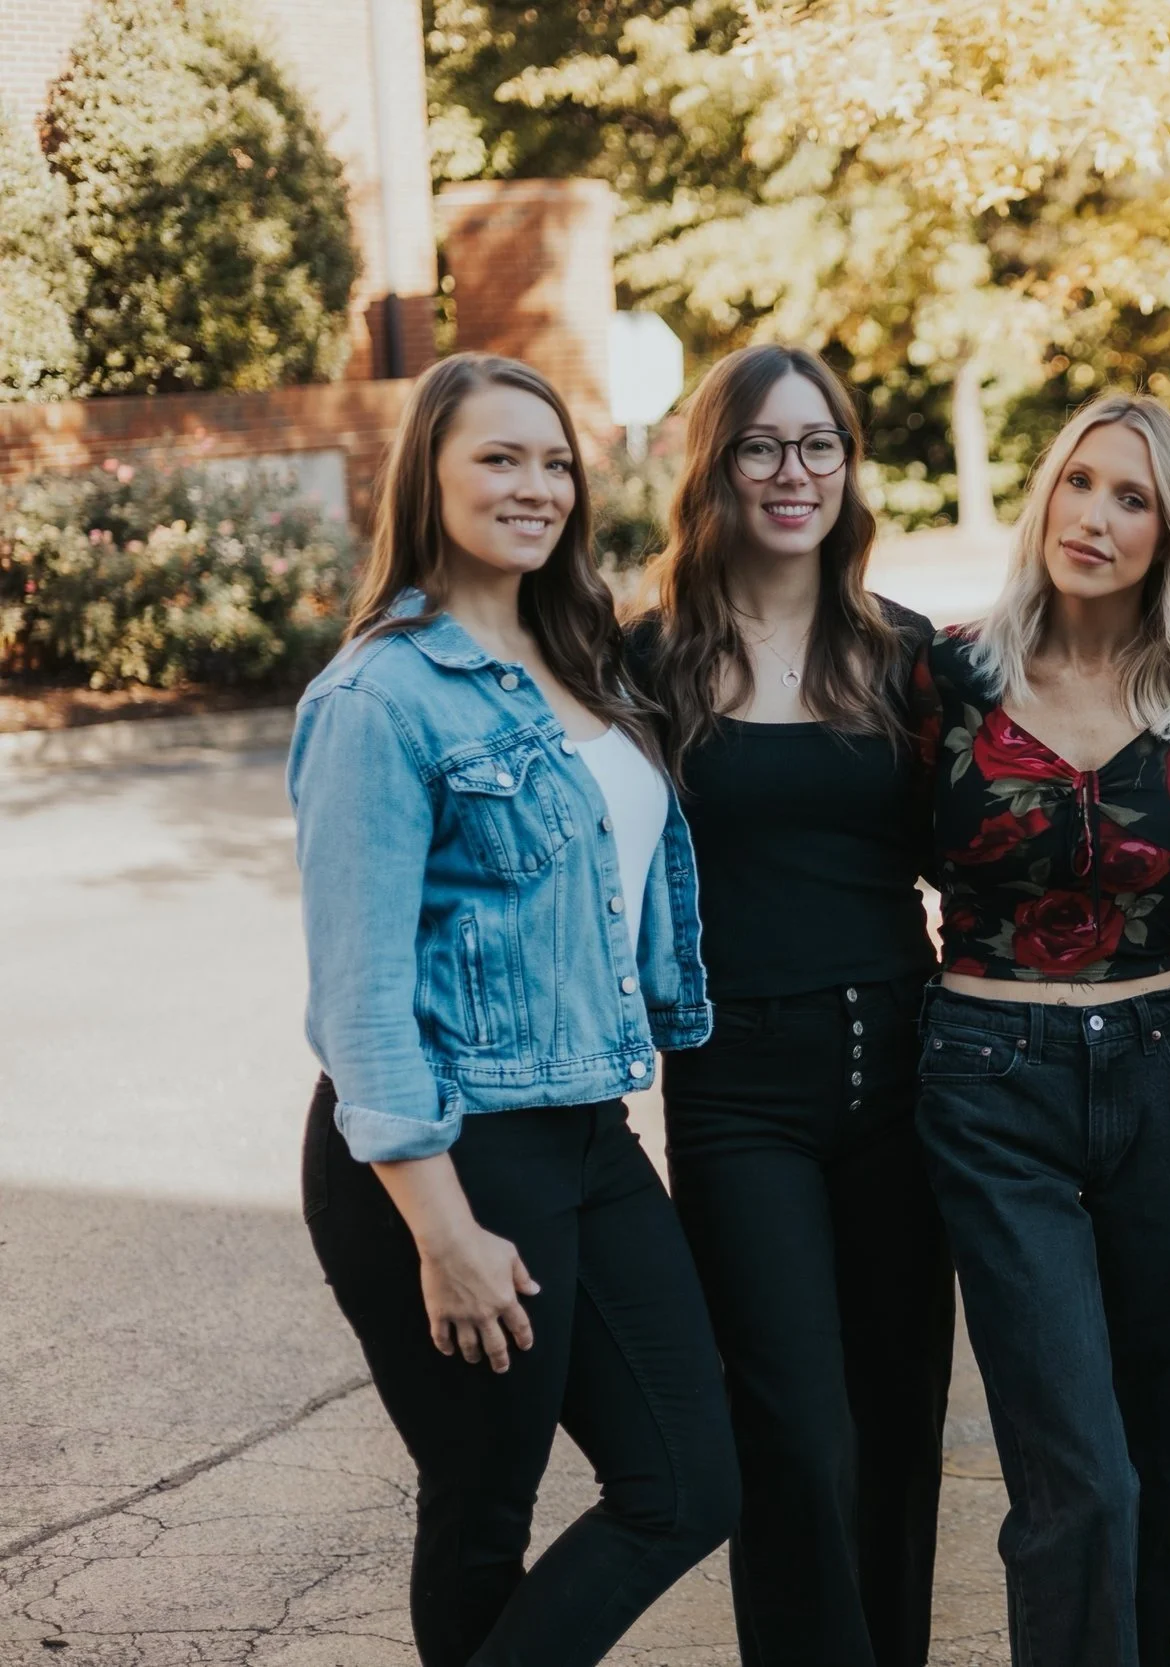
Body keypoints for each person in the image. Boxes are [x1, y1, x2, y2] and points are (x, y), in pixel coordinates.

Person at [290, 353, 736, 1667]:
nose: (534, 486)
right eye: (498, 458)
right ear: (428, 476)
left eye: (553, 462)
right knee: (485, 1504)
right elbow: (360, 994)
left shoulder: (586, 656)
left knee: (687, 1481)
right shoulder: (377, 698)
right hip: (450, 1147)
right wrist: (442, 1230)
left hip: (588, 1129)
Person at [629, 344, 953, 1667]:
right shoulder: (646, 663)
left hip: (906, 1078)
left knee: (897, 1425)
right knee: (794, 1434)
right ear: (715, 466)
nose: (793, 472)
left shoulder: (905, 655)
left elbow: (977, 848)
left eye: (819, 444)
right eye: (760, 445)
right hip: (738, 1092)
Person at [914, 392, 1170, 1667]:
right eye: (1079, 482)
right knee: (1078, 1476)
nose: (1093, 516)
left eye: (1132, 497)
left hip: (1169, 1077)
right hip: (990, 1082)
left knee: (1149, 1465)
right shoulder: (945, 676)